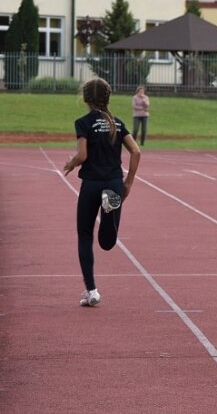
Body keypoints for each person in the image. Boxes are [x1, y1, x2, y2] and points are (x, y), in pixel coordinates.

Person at [63, 78, 141, 307]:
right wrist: (128, 183)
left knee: (85, 235)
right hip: (114, 183)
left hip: (91, 185)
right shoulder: (117, 124)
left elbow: (82, 155)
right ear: (108, 98)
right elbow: (136, 152)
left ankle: (91, 291)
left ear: (86, 99)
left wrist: (71, 163)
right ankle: (109, 218)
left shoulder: (83, 123)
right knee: (107, 242)